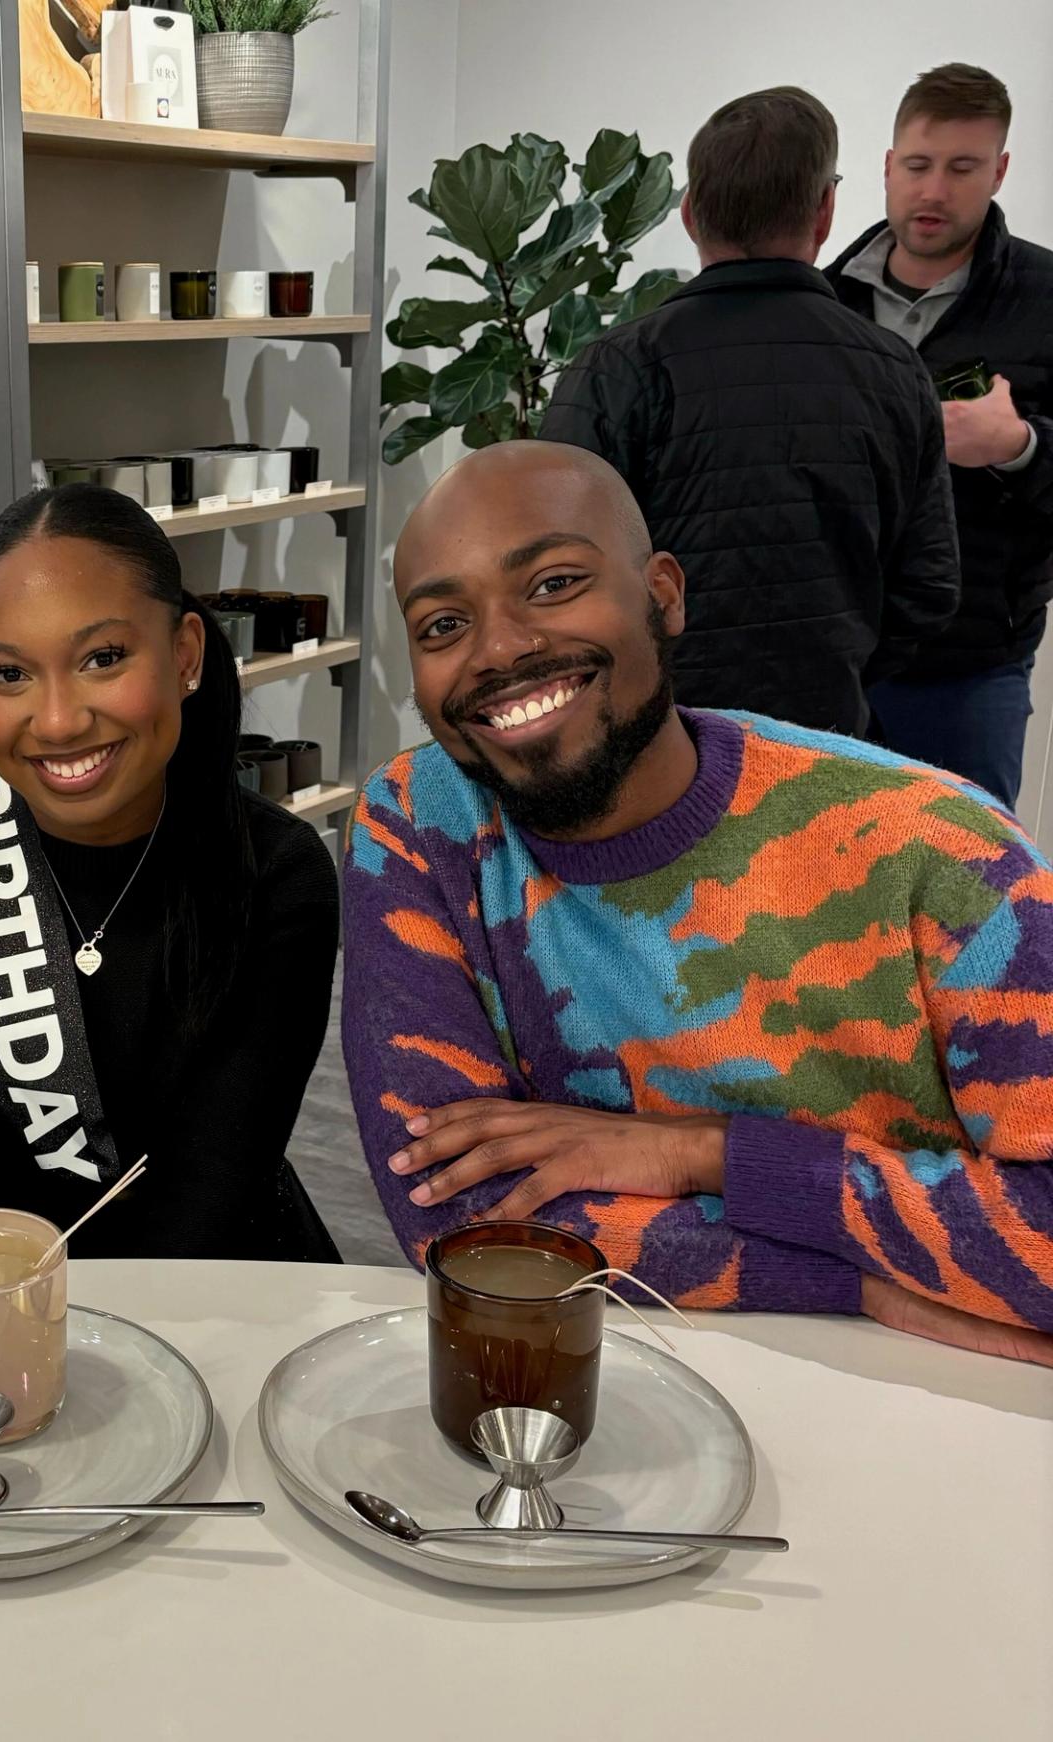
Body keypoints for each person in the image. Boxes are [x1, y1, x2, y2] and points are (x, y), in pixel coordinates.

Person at [343, 440, 1053, 1364]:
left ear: (664, 594)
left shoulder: (945, 851)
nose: (502, 648)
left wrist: (702, 1152)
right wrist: (856, 1285)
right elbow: (461, 1217)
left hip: (933, 1395)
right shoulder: (419, 821)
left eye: (554, 584)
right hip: (606, 1384)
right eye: (443, 625)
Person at [0, 484, 340, 1263]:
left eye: (103, 659)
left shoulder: (278, 873)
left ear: (185, 654)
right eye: (8, 674)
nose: (57, 721)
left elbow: (213, 1195)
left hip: (207, 1295)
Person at [542, 86, 959, 737]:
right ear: (824, 212)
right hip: (825, 744)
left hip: (657, 748)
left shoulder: (616, 369)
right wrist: (839, 669)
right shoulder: (895, 373)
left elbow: (553, 575)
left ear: (689, 214)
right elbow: (928, 589)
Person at [827, 63, 1053, 807]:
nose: (934, 190)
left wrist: (1018, 447)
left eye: (962, 168)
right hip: (834, 662)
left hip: (970, 669)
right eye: (919, 165)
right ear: (888, 166)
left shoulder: (1045, 297)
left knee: (970, 873)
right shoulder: (823, 301)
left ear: (999, 172)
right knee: (820, 872)